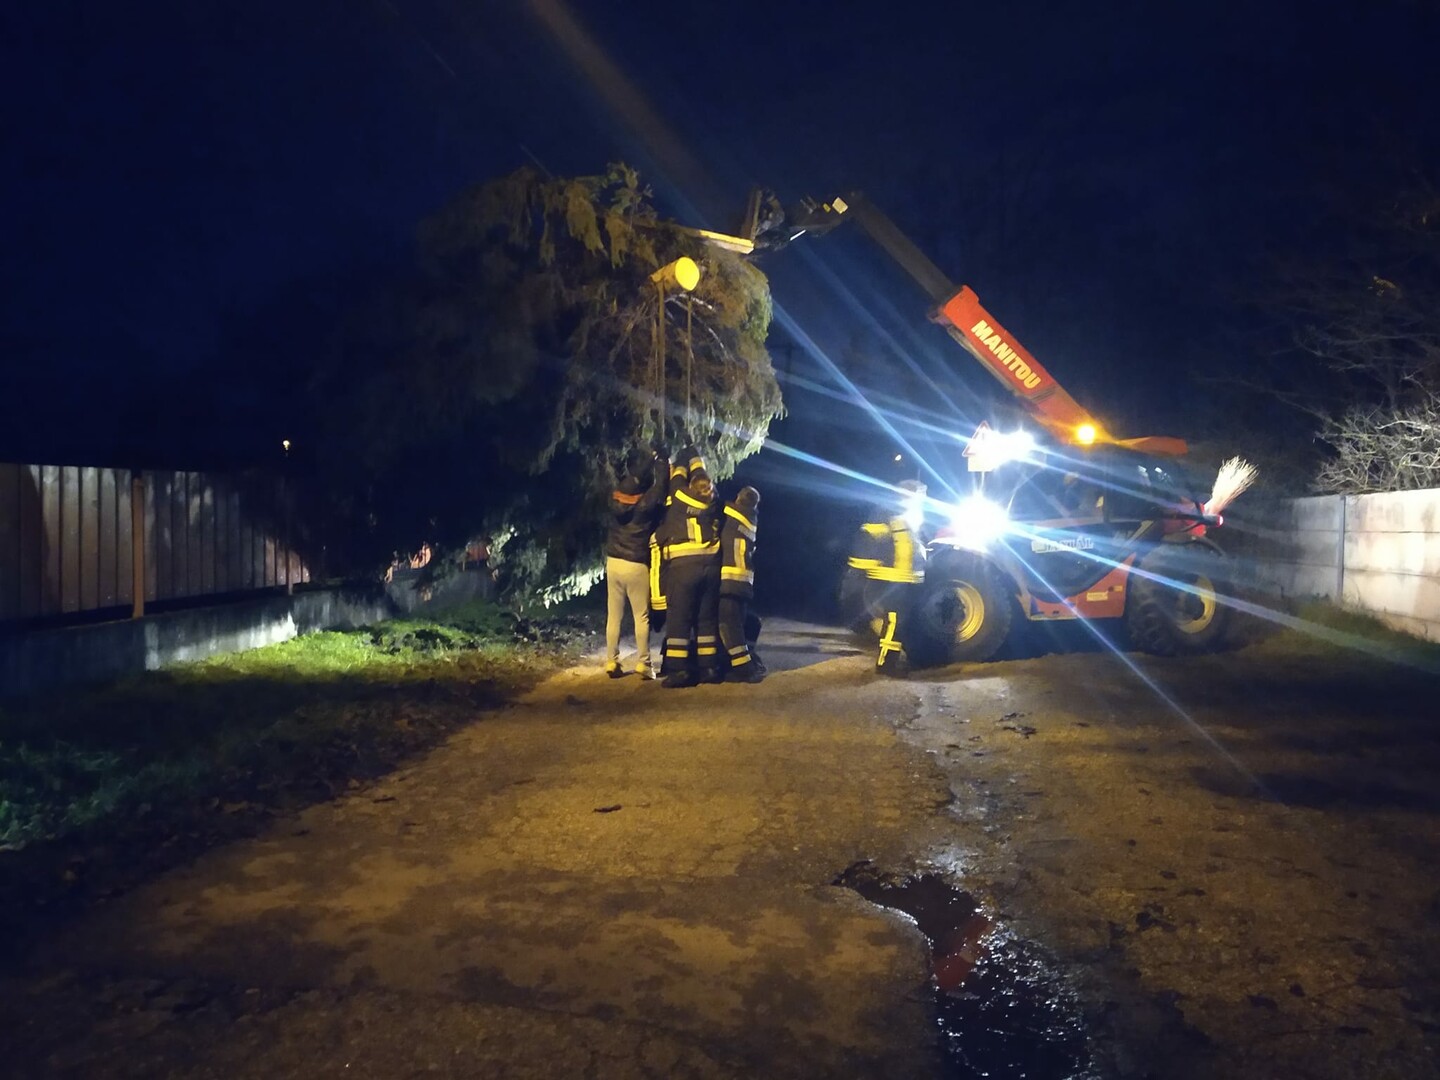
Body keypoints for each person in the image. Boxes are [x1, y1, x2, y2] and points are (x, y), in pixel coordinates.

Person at [657, 444, 722, 688]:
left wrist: (686, 453)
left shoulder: (680, 497)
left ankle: (679, 671)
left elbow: (676, 477)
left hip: (684, 569)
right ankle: (709, 668)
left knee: (679, 619)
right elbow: (702, 478)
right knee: (706, 619)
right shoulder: (713, 502)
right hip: (710, 567)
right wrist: (697, 456)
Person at [848, 479, 927, 676]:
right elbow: (867, 542)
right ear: (907, 494)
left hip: (904, 578)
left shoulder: (906, 515)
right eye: (919, 494)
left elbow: (910, 544)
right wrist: (861, 571)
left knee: (895, 622)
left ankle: (891, 661)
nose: (922, 498)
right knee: (893, 622)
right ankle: (886, 666)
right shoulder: (886, 513)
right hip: (889, 578)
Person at [603, 448, 667, 679]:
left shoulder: (615, 498)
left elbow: (635, 482)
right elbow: (660, 487)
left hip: (613, 562)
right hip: (636, 564)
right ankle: (644, 663)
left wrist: (647, 459)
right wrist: (660, 461)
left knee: (614, 616)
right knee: (641, 616)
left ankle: (612, 661)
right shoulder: (645, 506)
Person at [718, 485, 764, 682]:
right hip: (743, 583)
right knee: (740, 622)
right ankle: (748, 660)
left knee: (730, 626)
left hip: (730, 581)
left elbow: (716, 506)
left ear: (739, 498)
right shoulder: (749, 518)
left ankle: (744, 668)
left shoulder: (734, 514)